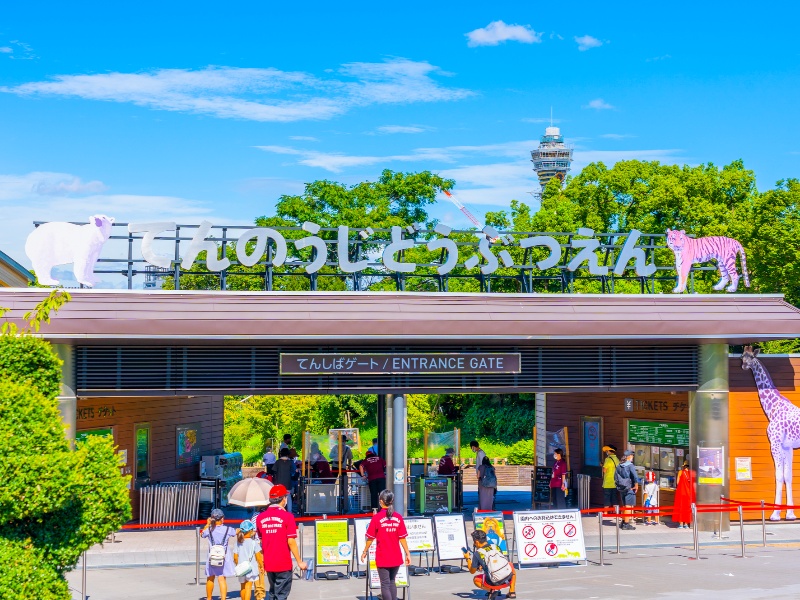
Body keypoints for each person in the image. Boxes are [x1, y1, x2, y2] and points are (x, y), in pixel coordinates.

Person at [255, 484, 307, 600]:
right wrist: (299, 562)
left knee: (273, 592)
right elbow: (291, 541)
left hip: (269, 562)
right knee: (281, 595)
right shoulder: (287, 517)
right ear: (284, 499)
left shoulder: (260, 518)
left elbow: (262, 541)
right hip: (283, 563)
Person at [360, 490, 411, 600]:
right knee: (392, 582)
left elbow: (370, 538)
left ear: (381, 501)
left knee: (385, 584)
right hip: (396, 556)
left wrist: (364, 551)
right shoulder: (398, 517)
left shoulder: (377, 518)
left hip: (383, 556)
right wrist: (407, 553)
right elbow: (402, 538)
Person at [463, 529, 517, 600]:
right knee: (510, 564)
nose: (474, 545)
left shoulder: (478, 553)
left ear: (476, 541)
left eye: (474, 543)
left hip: (494, 581)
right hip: (508, 578)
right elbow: (499, 561)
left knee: (476, 579)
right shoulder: (496, 546)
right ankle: (512, 591)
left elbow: (472, 571)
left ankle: (491, 590)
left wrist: (468, 559)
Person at [200, 508, 236, 600]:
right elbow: (235, 532)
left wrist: (207, 524)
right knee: (222, 578)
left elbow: (202, 534)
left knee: (210, 578)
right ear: (222, 518)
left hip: (212, 557)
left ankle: (209, 598)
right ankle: (223, 598)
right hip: (223, 557)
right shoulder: (228, 529)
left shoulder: (209, 529)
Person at [233, 519, 261, 600]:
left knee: (242, 587)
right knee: (248, 586)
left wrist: (238, 564)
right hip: (251, 568)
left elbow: (235, 557)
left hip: (241, 568)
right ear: (250, 531)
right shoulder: (253, 542)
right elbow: (258, 557)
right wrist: (261, 566)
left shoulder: (237, 543)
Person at [616, 450, 640, 529]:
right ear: (629, 456)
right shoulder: (630, 465)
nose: (633, 457)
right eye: (632, 456)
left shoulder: (619, 465)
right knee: (628, 506)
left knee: (624, 506)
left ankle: (623, 522)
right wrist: (636, 485)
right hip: (630, 488)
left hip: (622, 487)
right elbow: (635, 476)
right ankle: (626, 524)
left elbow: (615, 477)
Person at [672, 460, 695, 529]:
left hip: (681, 493)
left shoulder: (680, 472)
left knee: (681, 507)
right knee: (687, 507)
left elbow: (678, 482)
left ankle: (681, 523)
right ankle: (686, 523)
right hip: (689, 493)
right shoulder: (691, 473)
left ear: (684, 466)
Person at [273, 448, 296, 513]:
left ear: (281, 454)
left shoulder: (277, 462)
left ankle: (279, 512)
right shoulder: (290, 462)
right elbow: (294, 471)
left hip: (279, 484)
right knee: (288, 498)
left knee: (278, 499)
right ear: (288, 454)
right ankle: (289, 512)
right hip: (288, 484)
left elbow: (273, 471)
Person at [601, 445, 620, 510]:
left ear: (610, 451)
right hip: (615, 482)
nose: (606, 452)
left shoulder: (608, 459)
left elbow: (604, 470)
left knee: (607, 498)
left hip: (608, 482)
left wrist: (602, 466)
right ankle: (616, 513)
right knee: (614, 497)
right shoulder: (617, 459)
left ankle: (606, 512)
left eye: (607, 451)